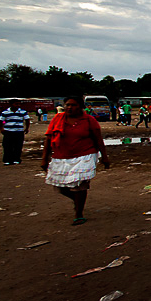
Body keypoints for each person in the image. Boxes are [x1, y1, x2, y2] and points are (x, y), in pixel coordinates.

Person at [41, 96, 110, 225]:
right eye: (67, 105)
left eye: (73, 105)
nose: (69, 108)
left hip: (85, 155)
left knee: (80, 186)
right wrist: (44, 158)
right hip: (61, 156)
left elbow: (98, 140)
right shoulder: (57, 119)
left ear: (80, 107)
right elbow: (48, 139)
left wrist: (104, 157)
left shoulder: (89, 120)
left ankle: (79, 213)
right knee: (60, 187)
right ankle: (77, 200)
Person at [0, 100, 31, 165]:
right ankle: (7, 160)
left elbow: (27, 120)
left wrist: (27, 128)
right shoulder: (5, 112)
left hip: (19, 131)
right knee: (7, 146)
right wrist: (1, 128)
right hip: (8, 131)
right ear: (11, 104)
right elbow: (1, 121)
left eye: (19, 104)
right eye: (16, 104)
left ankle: (16, 159)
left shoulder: (23, 112)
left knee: (18, 146)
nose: (18, 105)